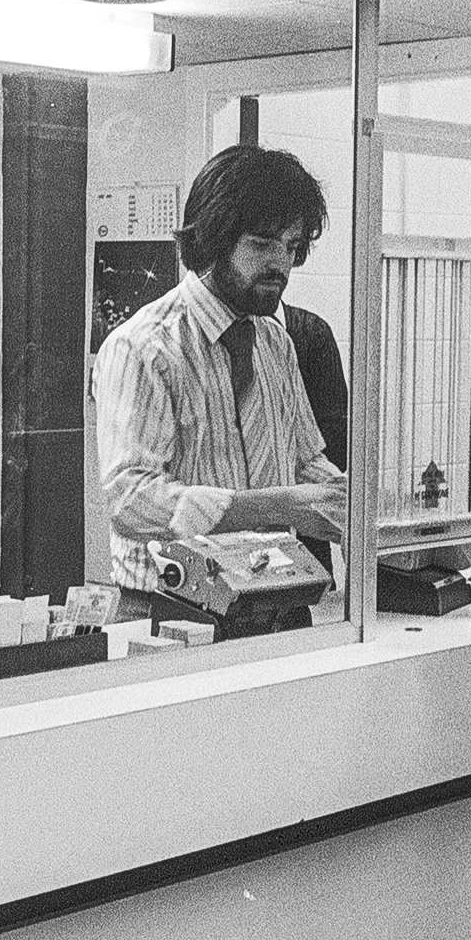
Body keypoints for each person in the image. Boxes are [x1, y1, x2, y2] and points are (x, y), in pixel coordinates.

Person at [92, 145, 347, 637]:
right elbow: (129, 501)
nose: (281, 264)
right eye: (262, 244)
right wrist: (275, 506)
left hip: (274, 600)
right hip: (173, 612)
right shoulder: (144, 347)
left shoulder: (275, 340)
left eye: (291, 247)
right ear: (212, 240)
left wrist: (357, 507)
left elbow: (306, 461)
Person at [280, 297, 349, 579]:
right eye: (262, 247)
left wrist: (355, 513)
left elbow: (324, 451)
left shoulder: (286, 340)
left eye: (289, 249)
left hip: (306, 544)